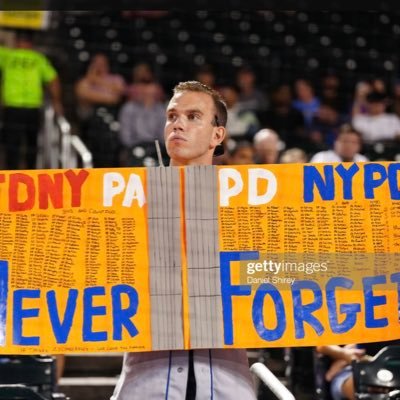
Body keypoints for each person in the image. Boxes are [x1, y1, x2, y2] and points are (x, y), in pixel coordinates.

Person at [111, 81, 257, 400]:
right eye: (172, 116)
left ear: (217, 135)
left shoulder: (247, 208)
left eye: (193, 116)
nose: (178, 123)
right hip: (147, 379)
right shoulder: (128, 204)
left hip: (226, 379)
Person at [0, 29, 63, 170]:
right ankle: (30, 175)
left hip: (14, 107)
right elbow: (53, 80)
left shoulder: (7, 55)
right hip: (30, 108)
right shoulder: (38, 59)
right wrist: (57, 102)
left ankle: (12, 176)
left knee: (13, 145)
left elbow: (53, 80)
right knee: (31, 144)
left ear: (16, 42)